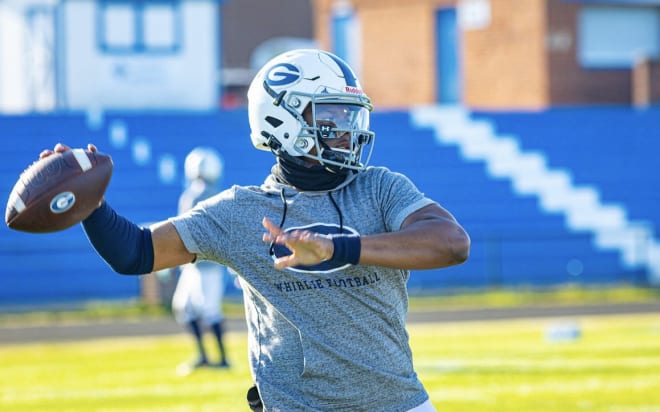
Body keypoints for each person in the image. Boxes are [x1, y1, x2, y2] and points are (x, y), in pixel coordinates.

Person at [42, 49, 470, 412]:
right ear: (282, 120)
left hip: (398, 403)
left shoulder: (379, 187)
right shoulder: (240, 212)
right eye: (332, 114)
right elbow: (135, 252)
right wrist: (90, 204)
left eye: (349, 114)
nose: (347, 129)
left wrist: (341, 248)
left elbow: (451, 243)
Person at [172, 147, 230, 375]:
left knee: (203, 309)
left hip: (201, 264)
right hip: (201, 264)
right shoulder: (214, 192)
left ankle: (219, 358)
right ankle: (208, 357)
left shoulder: (196, 193)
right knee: (189, 308)